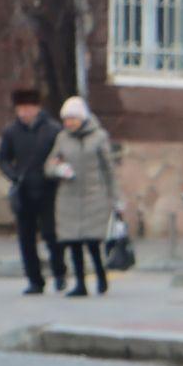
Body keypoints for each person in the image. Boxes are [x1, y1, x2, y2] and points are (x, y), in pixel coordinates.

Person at [44, 97, 117, 297]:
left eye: (73, 119)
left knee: (92, 242)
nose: (69, 123)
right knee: (73, 243)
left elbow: (108, 169)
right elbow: (49, 165)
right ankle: (80, 284)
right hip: (69, 197)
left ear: (82, 118)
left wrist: (114, 197)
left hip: (93, 196)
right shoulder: (62, 138)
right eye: (66, 119)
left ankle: (101, 275)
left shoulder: (99, 137)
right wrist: (58, 169)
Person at [0, 89, 65, 294]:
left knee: (51, 235)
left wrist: (55, 171)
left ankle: (59, 273)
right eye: (20, 109)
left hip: (48, 189)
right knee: (26, 238)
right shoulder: (11, 131)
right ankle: (35, 280)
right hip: (23, 190)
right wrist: (13, 175)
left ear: (37, 108)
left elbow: (62, 155)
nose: (24, 112)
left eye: (27, 108)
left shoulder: (52, 129)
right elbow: (2, 158)